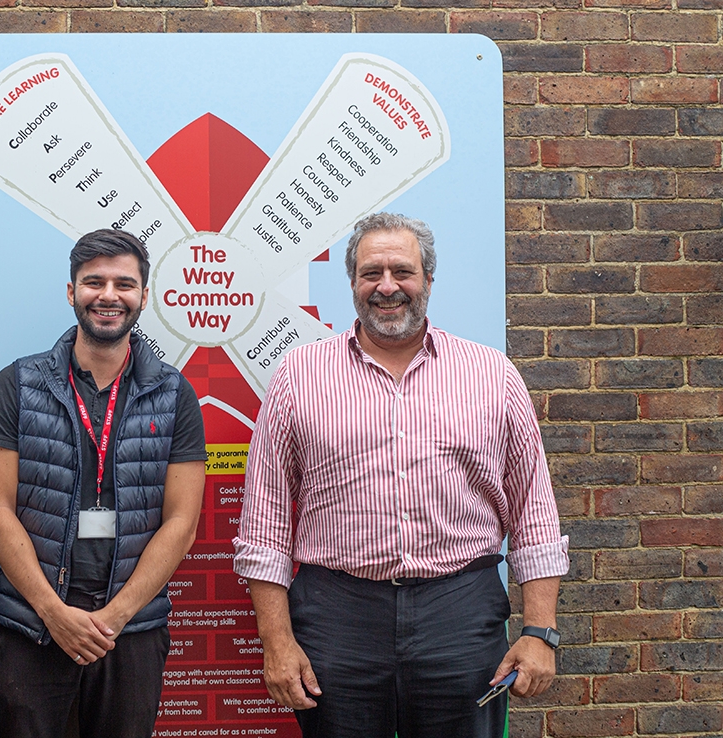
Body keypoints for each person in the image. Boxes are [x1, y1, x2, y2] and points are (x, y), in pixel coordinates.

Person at [234, 212, 569, 738]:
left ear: (428, 280)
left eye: (402, 271)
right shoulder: (299, 376)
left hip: (459, 613)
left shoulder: (492, 375)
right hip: (336, 616)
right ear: (352, 284)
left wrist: (539, 631)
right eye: (371, 273)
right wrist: (276, 642)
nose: (387, 286)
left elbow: (534, 515)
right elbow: (265, 524)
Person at [0, 228, 207, 738]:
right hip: (31, 628)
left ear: (144, 296)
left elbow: (181, 522)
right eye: (93, 282)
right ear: (71, 291)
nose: (108, 296)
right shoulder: (17, 385)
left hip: (130, 631)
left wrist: (115, 617)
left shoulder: (174, 395)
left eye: (124, 284)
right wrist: (53, 613)